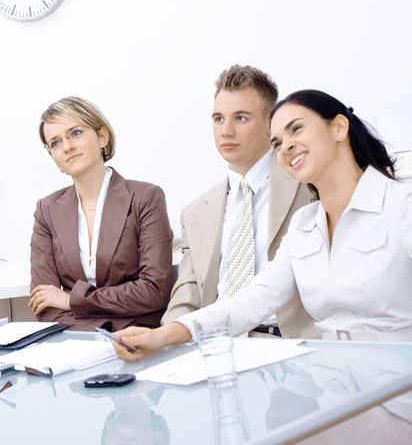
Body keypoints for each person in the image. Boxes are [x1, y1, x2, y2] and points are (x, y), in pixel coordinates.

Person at [111, 90, 412, 440]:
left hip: (399, 389)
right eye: (277, 142)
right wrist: (162, 336)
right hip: (335, 391)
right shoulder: (304, 225)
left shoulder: (401, 206)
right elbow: (252, 301)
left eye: (297, 129)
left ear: (339, 128)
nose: (286, 147)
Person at [162, 65, 317, 338]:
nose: (226, 131)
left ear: (270, 124)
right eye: (218, 119)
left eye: (241, 118)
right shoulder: (195, 213)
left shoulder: (310, 186)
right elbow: (186, 296)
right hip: (217, 343)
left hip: (286, 340)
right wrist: (167, 339)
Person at [28, 96, 173, 331]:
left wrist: (72, 300)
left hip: (136, 334)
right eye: (55, 143)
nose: (67, 146)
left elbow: (154, 290)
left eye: (75, 133)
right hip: (74, 339)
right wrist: (91, 337)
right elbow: (44, 302)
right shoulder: (46, 211)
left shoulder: (146, 198)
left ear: (102, 137)